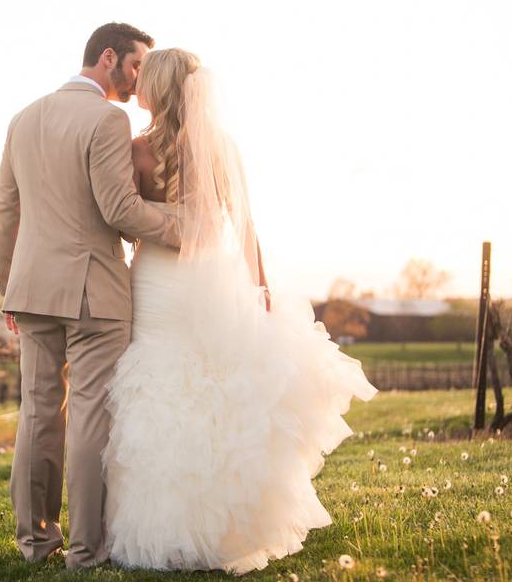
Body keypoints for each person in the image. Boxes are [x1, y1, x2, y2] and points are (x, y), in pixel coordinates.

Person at [101, 47, 379, 575]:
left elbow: (128, 224)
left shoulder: (137, 151)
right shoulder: (223, 148)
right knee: (215, 385)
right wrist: (261, 288)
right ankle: (224, 526)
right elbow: (245, 226)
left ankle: (159, 527)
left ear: (157, 89)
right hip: (210, 279)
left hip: (157, 282)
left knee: (158, 387)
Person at [0, 22, 180, 570]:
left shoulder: (23, 118)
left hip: (30, 290)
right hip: (93, 293)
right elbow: (121, 211)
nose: (141, 77)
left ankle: (35, 543)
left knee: (37, 413)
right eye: (138, 64)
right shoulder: (108, 118)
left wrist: (8, 286)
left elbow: (6, 210)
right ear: (108, 57)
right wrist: (183, 221)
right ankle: (86, 550)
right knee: (91, 415)